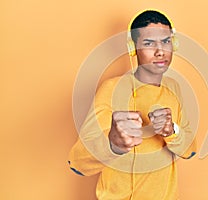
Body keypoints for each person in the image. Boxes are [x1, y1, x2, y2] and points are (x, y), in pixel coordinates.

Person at [68, 9, 197, 200]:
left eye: (165, 41)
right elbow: (77, 163)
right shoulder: (111, 88)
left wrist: (172, 131)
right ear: (132, 48)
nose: (160, 51)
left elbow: (190, 150)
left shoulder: (174, 88)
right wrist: (113, 145)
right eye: (148, 43)